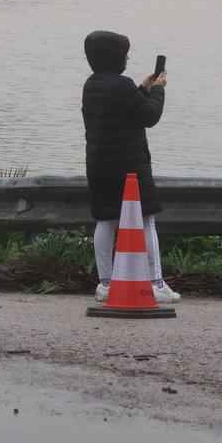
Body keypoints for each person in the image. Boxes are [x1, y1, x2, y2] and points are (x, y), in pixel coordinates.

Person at [81, 30, 180, 304]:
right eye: (125, 54)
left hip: (99, 165)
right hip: (130, 168)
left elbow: (123, 108)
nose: (127, 58)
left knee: (105, 220)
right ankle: (155, 284)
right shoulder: (122, 86)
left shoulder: (92, 85)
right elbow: (149, 115)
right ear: (115, 57)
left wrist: (143, 88)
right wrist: (158, 89)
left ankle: (106, 284)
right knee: (146, 220)